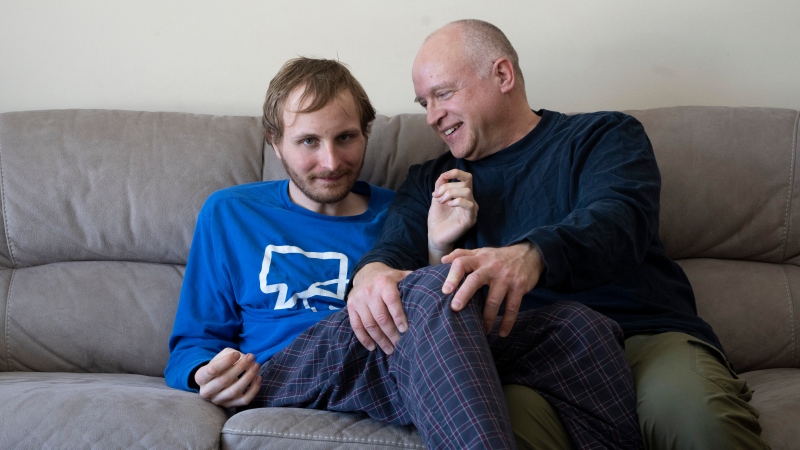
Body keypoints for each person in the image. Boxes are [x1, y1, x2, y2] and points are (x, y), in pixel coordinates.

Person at [165, 57, 643, 450]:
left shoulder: (401, 210)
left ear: (366, 134)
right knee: (425, 290)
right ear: (275, 142)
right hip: (286, 368)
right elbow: (188, 343)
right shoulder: (231, 213)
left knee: (582, 328)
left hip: (393, 360)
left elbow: (444, 319)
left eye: (345, 138)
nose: (331, 162)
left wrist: (439, 245)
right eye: (308, 141)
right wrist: (203, 371)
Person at [347, 19, 768, 450]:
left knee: (698, 421)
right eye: (424, 102)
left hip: (642, 338)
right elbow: (391, 250)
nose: (433, 116)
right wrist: (369, 278)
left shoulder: (600, 137)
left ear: (503, 75)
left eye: (444, 93)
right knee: (492, 433)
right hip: (524, 358)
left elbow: (619, 219)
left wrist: (530, 256)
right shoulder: (430, 181)